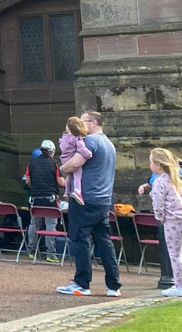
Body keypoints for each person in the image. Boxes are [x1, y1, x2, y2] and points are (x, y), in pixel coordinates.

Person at [56, 111, 122, 297]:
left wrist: (62, 167)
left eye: (83, 121)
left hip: (84, 198)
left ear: (93, 123)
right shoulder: (109, 144)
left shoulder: (90, 141)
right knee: (104, 241)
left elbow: (75, 164)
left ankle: (81, 283)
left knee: (79, 239)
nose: (80, 125)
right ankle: (113, 286)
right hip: (104, 200)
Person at [148, 148, 182, 297]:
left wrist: (160, 218)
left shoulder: (160, 182)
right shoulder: (176, 179)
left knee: (175, 255)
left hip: (174, 221)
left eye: (151, 162)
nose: (150, 165)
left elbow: (158, 204)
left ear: (158, 164)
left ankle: (180, 286)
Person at [23, 140, 64, 263]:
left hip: (35, 200)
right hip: (50, 200)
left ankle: (31, 251)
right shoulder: (54, 163)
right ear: (52, 151)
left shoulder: (31, 163)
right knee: (51, 226)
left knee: (34, 225)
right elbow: (61, 182)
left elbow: (27, 182)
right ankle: (51, 254)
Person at [59, 116, 91, 205]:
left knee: (69, 175)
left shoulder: (64, 138)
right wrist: (88, 154)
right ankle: (77, 191)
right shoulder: (76, 139)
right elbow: (82, 149)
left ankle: (67, 191)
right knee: (77, 175)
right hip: (72, 160)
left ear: (67, 128)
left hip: (64, 160)